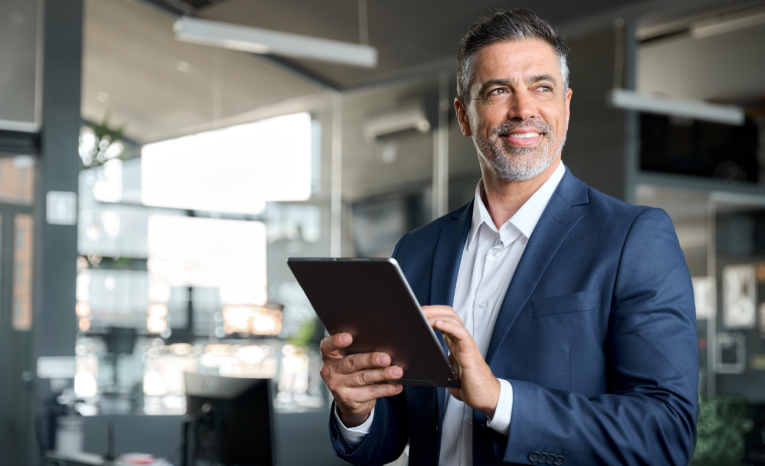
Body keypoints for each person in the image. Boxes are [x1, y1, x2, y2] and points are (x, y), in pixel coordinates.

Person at [319, 8, 698, 466]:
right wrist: (356, 409)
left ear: (566, 106)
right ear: (464, 115)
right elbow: (398, 429)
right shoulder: (417, 251)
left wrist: (502, 401)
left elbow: (667, 432)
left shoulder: (633, 237)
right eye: (498, 90)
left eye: (542, 87)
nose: (523, 110)